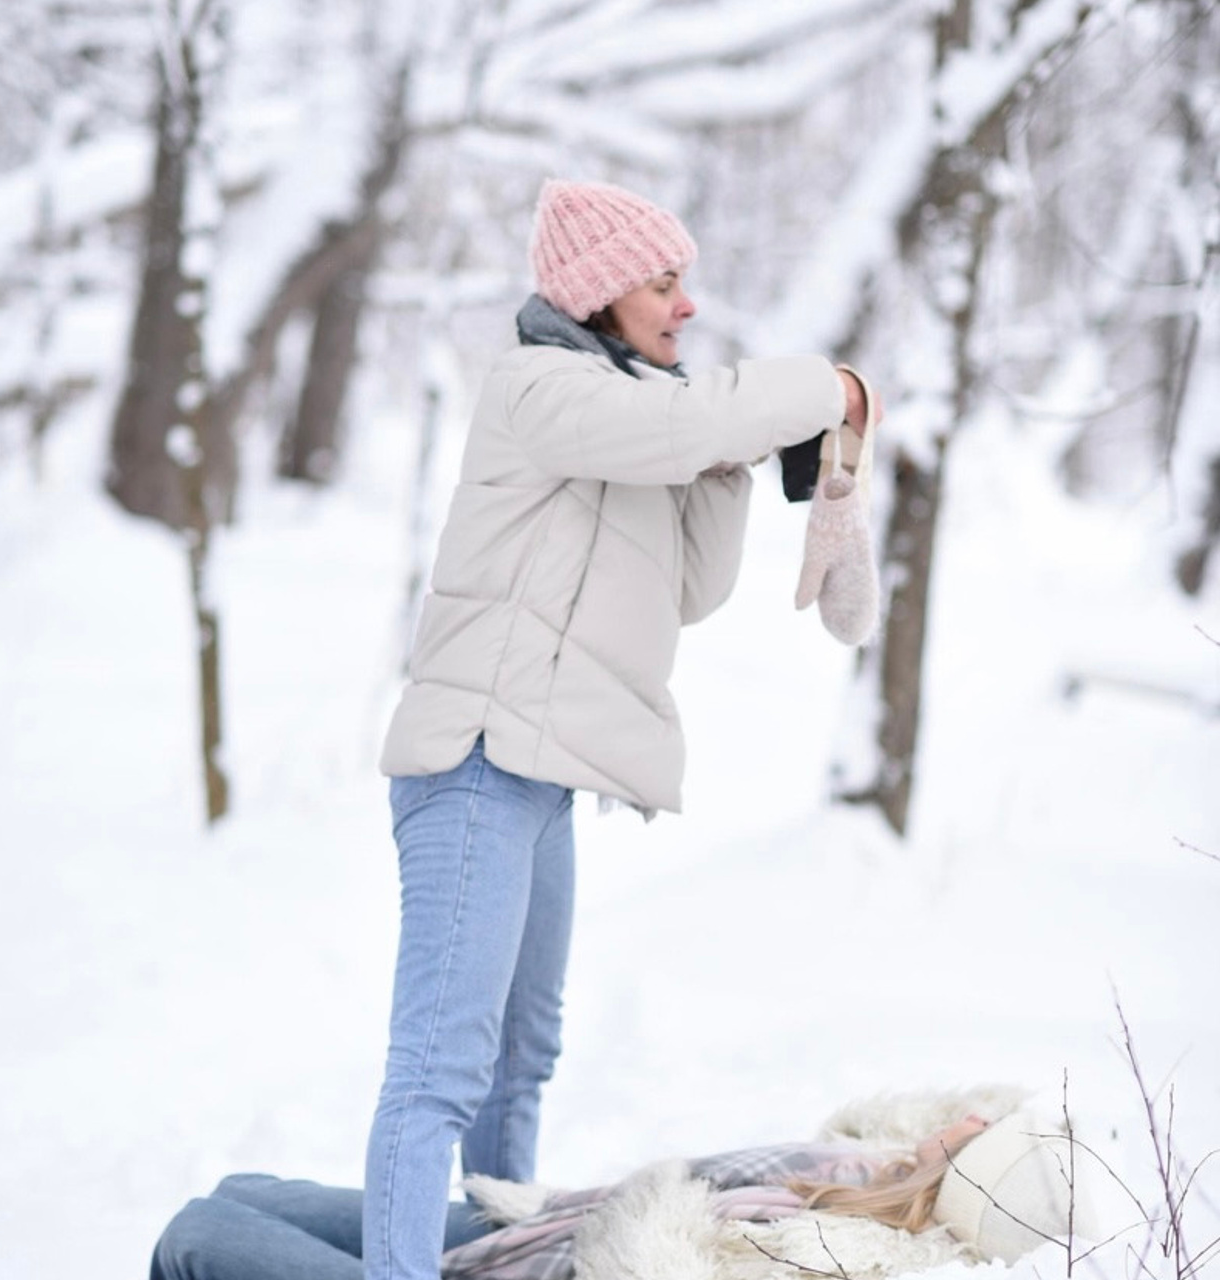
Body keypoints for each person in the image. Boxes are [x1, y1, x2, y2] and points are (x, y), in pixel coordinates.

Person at [363, 177, 882, 1280]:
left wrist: (735, 459)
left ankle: (496, 1259)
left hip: (537, 780)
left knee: (520, 1058)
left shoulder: (630, 412)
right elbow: (673, 425)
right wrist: (820, 387)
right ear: (598, 292)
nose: (684, 303)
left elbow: (688, 585)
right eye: (661, 281)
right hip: (472, 764)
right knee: (439, 1067)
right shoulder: (538, 390)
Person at [149, 1111, 1100, 1278]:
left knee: (199, 1236)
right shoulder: (867, 1166)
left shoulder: (835, 1251)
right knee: (244, 1190)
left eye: (975, 1138)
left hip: (528, 1272)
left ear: (959, 1178)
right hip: (524, 1228)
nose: (961, 1120)